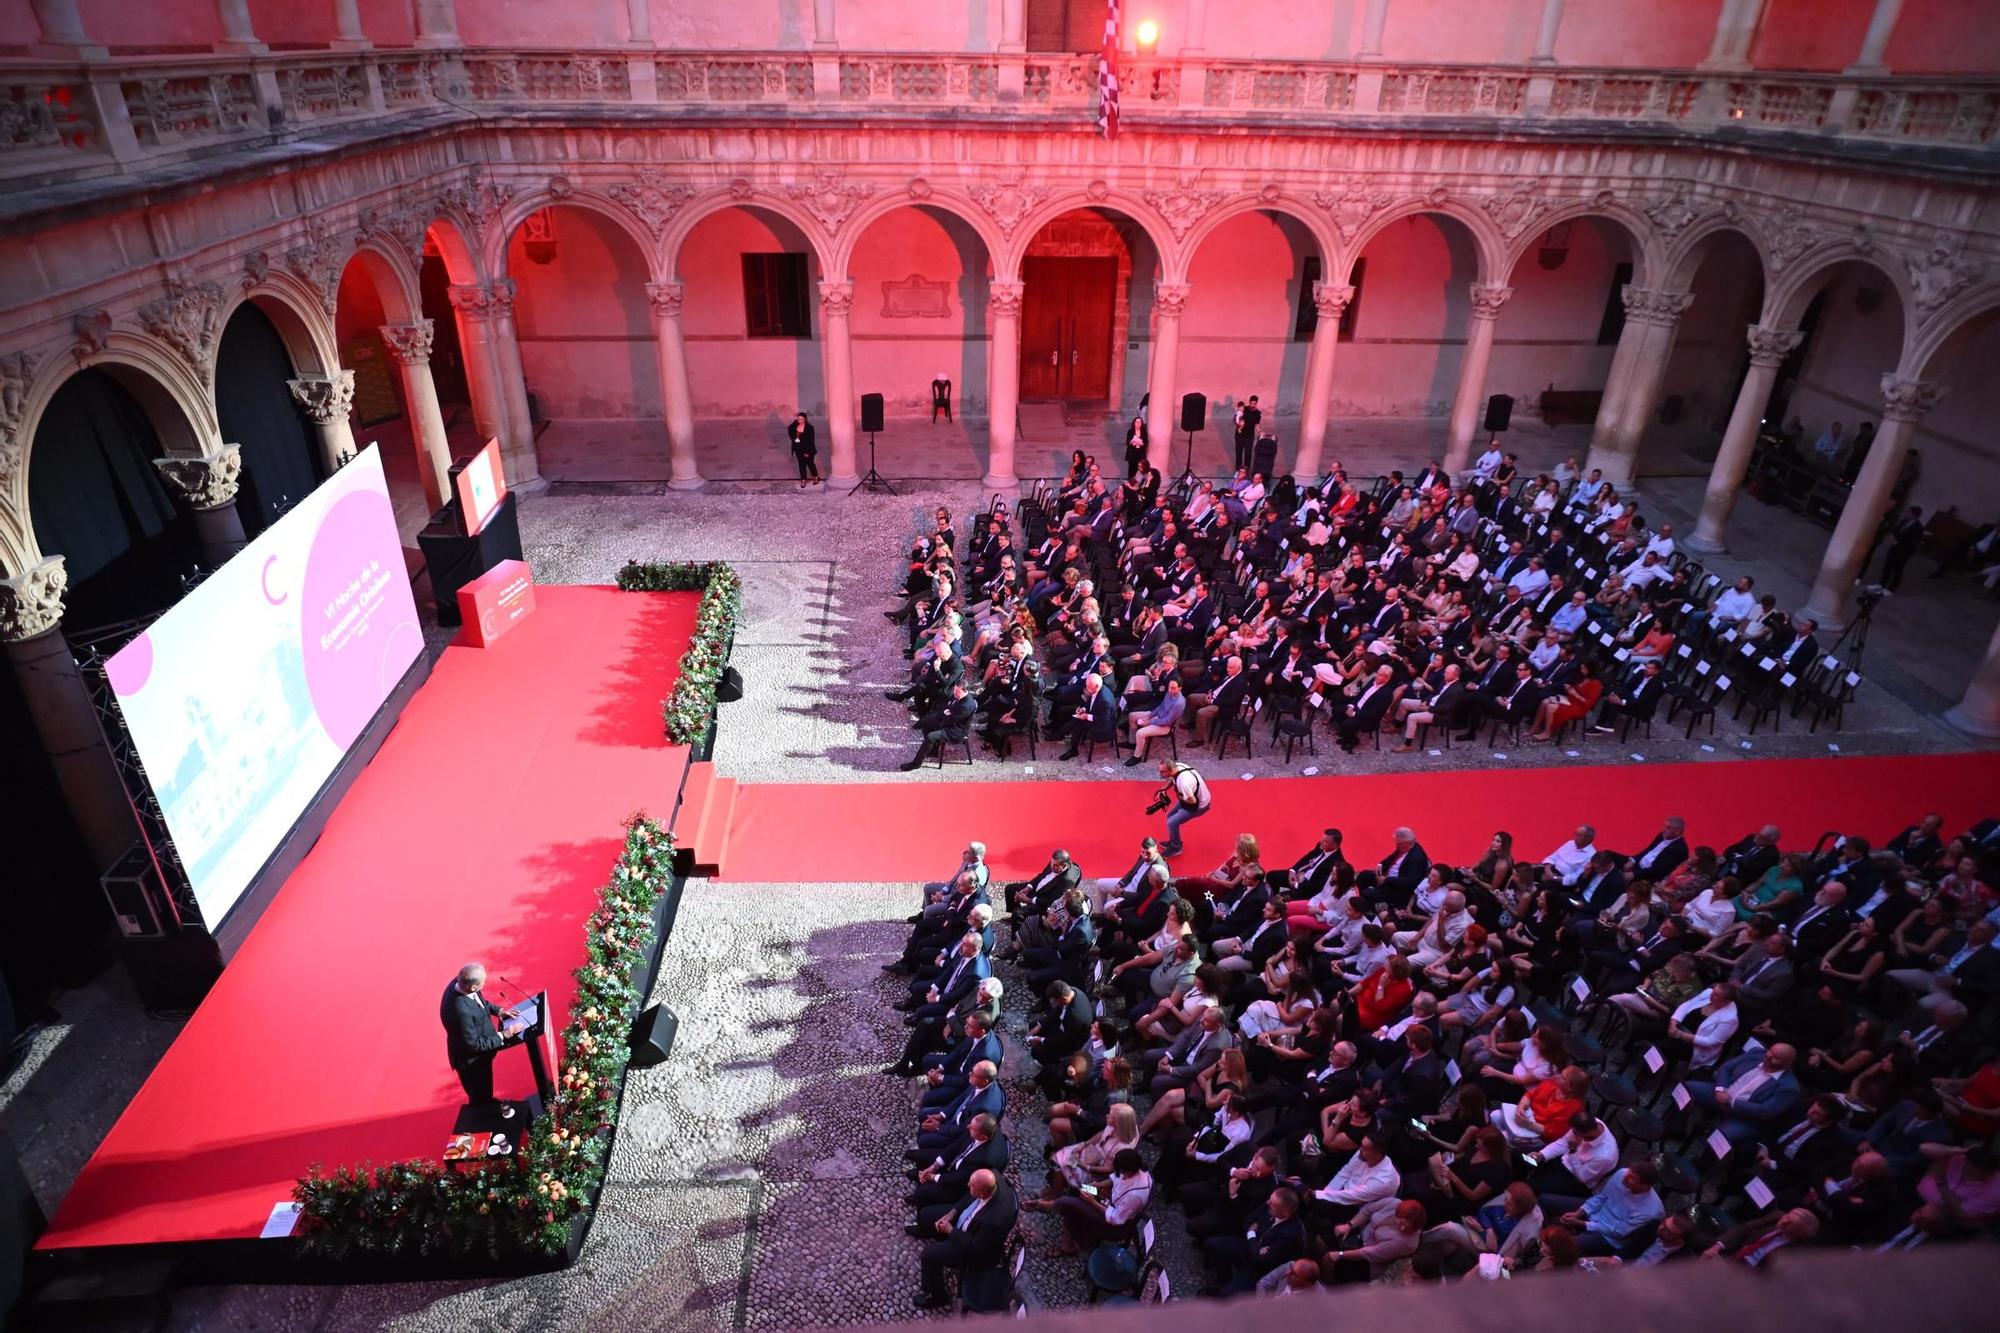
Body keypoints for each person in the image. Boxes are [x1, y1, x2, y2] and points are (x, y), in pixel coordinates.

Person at [915, 1168, 1017, 1311]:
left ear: (982, 1193)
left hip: (973, 1249)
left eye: (971, 1186)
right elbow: (968, 1197)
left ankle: (936, 1295)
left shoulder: (994, 1221)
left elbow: (975, 1247)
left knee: (929, 1255)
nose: (968, 1184)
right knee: (927, 1215)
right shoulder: (989, 1180)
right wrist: (952, 1213)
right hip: (964, 1224)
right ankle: (927, 1230)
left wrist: (950, 1231)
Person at [440, 962, 520, 1107]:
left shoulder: (461, 983)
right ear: (473, 987)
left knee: (485, 1091)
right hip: (472, 1063)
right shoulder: (460, 1011)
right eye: (483, 983)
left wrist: (499, 1011)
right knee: (480, 1097)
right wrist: (504, 1035)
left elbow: (481, 1003)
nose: (484, 985)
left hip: (480, 1053)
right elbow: (473, 1044)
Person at [1155, 758, 1211, 858]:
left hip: (1199, 805)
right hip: (1190, 798)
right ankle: (1174, 841)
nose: (1160, 774)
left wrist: (1180, 797)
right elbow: (1172, 779)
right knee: (1170, 817)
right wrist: (1164, 788)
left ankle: (1177, 848)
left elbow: (1192, 801)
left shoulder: (1183, 783)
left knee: (1171, 822)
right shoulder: (1178, 767)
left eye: (1162, 772)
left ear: (1171, 770)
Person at [788, 411, 819, 485]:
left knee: (810, 464)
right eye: (798, 419)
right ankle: (803, 480)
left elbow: (811, 441)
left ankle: (815, 476)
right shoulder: (795, 425)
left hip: (807, 449)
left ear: (805, 419)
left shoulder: (809, 428)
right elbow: (790, 429)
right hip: (798, 448)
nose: (800, 421)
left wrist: (807, 452)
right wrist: (795, 422)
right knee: (801, 464)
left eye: (801, 419)